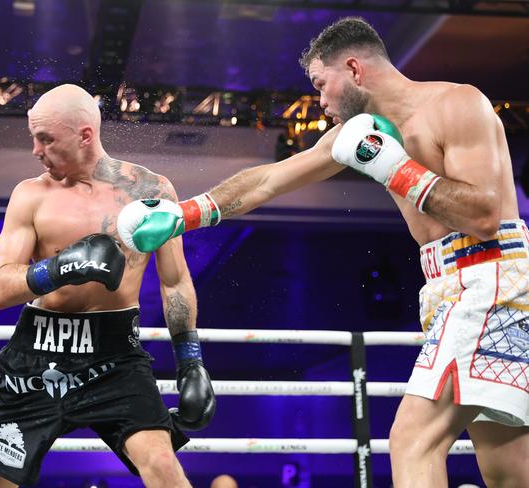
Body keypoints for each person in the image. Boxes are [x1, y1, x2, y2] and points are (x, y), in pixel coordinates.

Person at [117, 17, 529, 488]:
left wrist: (394, 167)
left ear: (354, 69)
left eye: (321, 84)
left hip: (489, 278)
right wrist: (183, 214)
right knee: (507, 466)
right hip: (451, 287)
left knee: (413, 440)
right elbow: (270, 179)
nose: (320, 101)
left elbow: (483, 217)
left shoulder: (457, 104)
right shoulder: (358, 133)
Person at [0, 84, 215, 488]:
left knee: (163, 467)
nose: (35, 150)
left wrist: (190, 361)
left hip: (116, 354)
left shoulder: (149, 192)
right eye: (34, 137)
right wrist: (60, 269)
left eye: (46, 138)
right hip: (38, 354)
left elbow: (174, 281)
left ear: (85, 135)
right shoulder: (30, 196)